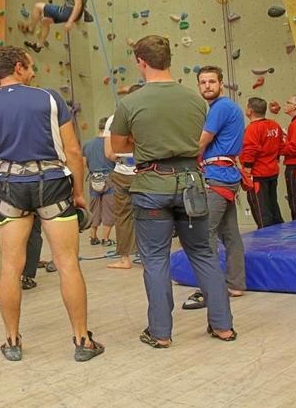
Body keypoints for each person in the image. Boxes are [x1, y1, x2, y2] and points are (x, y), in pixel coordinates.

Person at [0, 45, 104, 362]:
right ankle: (82, 341)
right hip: (52, 185)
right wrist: (78, 193)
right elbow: (73, 152)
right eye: (30, 65)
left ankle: (11, 341)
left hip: (10, 188)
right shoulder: (49, 98)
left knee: (10, 266)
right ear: (19, 67)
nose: (33, 70)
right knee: (67, 264)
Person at [108, 36, 235, 348]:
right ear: (168, 60)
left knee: (154, 259)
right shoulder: (195, 100)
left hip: (151, 187)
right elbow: (197, 138)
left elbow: (118, 147)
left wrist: (145, 142)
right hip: (191, 184)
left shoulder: (130, 103)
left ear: (141, 62)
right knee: (203, 254)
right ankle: (223, 326)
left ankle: (161, 332)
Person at [182, 66, 246, 308]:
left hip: (217, 176)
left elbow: (201, 143)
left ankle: (208, 289)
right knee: (229, 233)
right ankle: (235, 283)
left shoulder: (220, 108)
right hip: (226, 174)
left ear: (221, 84)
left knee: (203, 232)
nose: (207, 86)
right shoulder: (225, 108)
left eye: (211, 81)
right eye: (203, 82)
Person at [103, 84, 142, 270]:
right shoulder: (147, 116)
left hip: (123, 171)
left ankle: (125, 258)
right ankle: (148, 254)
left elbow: (109, 153)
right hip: (145, 171)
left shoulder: (114, 118)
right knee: (150, 213)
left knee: (123, 216)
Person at [240, 97, 285, 228]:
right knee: (272, 204)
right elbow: (280, 146)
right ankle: (278, 233)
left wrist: (247, 170)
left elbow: (250, 150)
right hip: (272, 171)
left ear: (249, 111)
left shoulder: (253, 128)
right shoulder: (274, 125)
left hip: (258, 174)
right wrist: (275, 161)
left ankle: (266, 237)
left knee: (261, 208)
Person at [83, 117, 116, 246]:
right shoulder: (111, 143)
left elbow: (84, 164)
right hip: (109, 179)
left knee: (94, 209)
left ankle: (93, 237)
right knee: (109, 209)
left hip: (93, 179)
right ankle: (106, 239)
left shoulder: (87, 145)